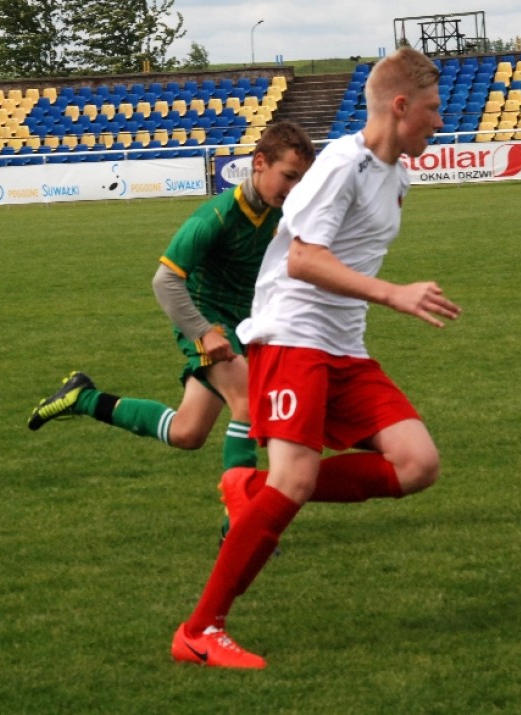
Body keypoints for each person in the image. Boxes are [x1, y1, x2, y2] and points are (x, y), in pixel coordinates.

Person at [171, 47, 463, 669]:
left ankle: (253, 487)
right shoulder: (340, 165)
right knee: (297, 481)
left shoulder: (397, 176)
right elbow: (303, 259)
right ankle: (199, 630)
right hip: (293, 337)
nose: (441, 122)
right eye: (433, 109)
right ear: (400, 106)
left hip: (344, 346)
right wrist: (393, 293)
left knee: (417, 464)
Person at [27, 122, 315, 476]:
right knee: (249, 401)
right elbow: (164, 281)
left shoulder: (281, 211)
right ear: (259, 163)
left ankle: (82, 397)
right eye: (289, 176)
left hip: (243, 324)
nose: (294, 187)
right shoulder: (216, 216)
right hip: (206, 319)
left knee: (187, 432)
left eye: (301, 179)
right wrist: (203, 331)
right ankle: (240, 508)